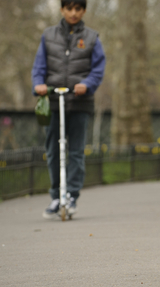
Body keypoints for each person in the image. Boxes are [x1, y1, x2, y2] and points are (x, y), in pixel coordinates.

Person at [31, 0, 106, 219]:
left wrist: (88, 84)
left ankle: (71, 195)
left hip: (80, 102)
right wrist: (39, 84)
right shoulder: (48, 35)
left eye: (78, 9)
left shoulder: (92, 37)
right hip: (53, 101)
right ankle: (56, 196)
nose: (73, 13)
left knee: (75, 151)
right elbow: (39, 67)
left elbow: (98, 69)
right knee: (54, 150)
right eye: (69, 8)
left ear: (83, 11)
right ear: (62, 9)